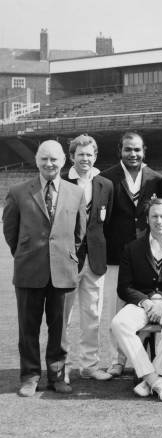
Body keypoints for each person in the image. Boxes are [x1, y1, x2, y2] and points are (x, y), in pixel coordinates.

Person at [3, 140, 86, 396]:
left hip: (64, 271)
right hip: (29, 270)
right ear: (36, 161)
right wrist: (26, 254)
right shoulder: (18, 192)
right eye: (44, 159)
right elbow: (10, 232)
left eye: (54, 159)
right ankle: (29, 376)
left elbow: (79, 233)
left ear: (63, 161)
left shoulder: (76, 192)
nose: (49, 164)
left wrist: (63, 256)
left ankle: (57, 376)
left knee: (60, 330)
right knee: (28, 329)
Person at [110, 198, 162, 401]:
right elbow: (124, 287)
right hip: (143, 303)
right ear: (147, 220)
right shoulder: (132, 248)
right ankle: (153, 378)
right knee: (119, 323)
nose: (159, 221)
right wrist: (146, 302)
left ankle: (152, 376)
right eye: (154, 216)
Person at [100, 131, 162, 377]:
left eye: (137, 150)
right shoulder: (106, 179)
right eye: (128, 149)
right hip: (116, 256)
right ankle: (117, 360)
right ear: (120, 151)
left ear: (144, 150)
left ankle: (149, 359)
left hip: (150, 257)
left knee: (150, 310)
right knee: (117, 312)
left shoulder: (157, 179)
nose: (133, 154)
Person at [62, 134, 114, 382]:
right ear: (72, 157)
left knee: (92, 316)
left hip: (95, 260)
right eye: (80, 154)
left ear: (95, 156)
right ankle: (61, 366)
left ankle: (90, 365)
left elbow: (105, 223)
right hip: (65, 261)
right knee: (62, 317)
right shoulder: (60, 182)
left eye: (89, 154)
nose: (85, 158)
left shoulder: (105, 184)